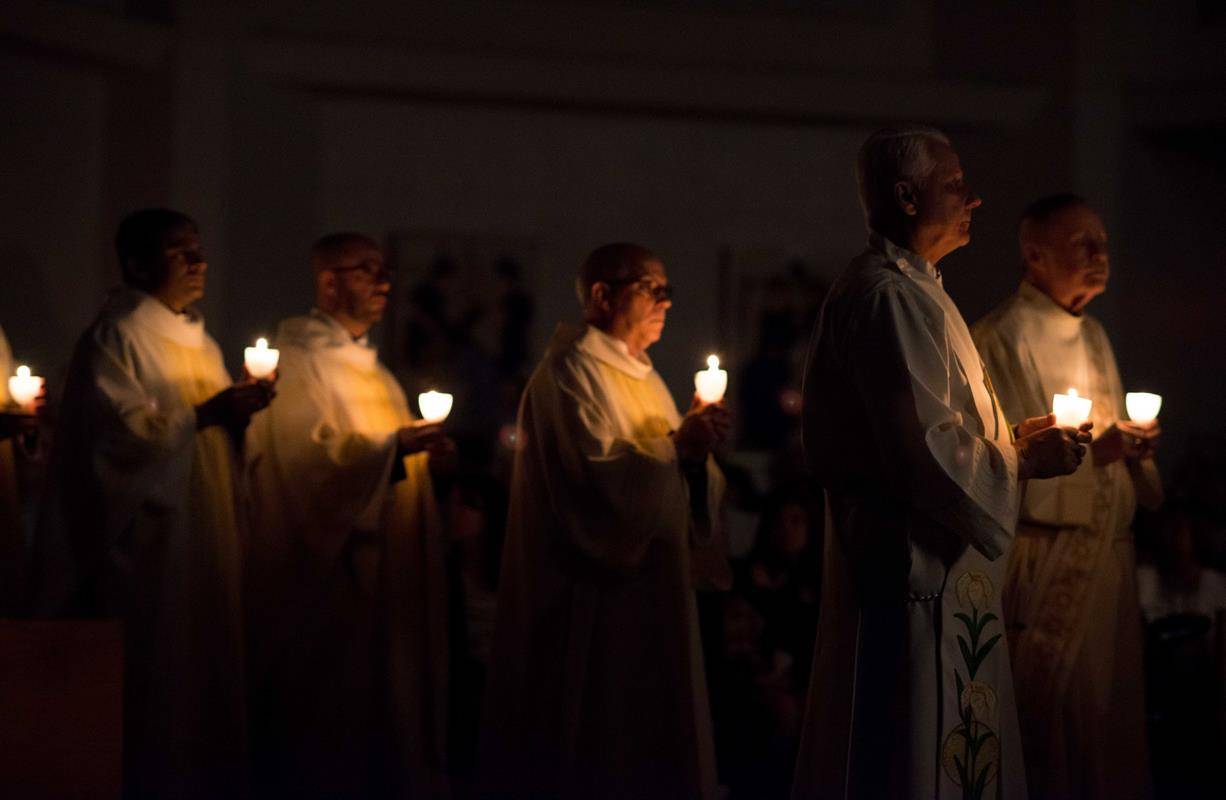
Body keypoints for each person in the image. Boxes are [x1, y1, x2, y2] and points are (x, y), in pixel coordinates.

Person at [791, 127, 1091, 799]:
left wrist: (1011, 436)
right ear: (905, 195)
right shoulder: (887, 297)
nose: (973, 199)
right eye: (954, 186)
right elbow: (920, 449)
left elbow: (936, 425)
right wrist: (1018, 458)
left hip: (939, 572)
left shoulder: (920, 291)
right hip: (914, 575)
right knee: (915, 753)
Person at [34, 208, 273, 798]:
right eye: (179, 251)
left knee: (204, 687)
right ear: (138, 263)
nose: (198, 262)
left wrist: (243, 419)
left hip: (204, 533)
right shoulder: (118, 337)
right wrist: (207, 414)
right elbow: (116, 443)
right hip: (152, 549)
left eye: (199, 249)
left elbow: (212, 435)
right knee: (158, 691)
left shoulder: (199, 339)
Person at [480, 242, 730, 799]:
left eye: (667, 288)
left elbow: (670, 472)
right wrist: (675, 447)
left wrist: (693, 452)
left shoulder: (644, 376)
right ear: (601, 295)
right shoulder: (570, 373)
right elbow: (594, 489)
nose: (667, 300)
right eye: (651, 286)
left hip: (653, 596)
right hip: (593, 604)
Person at [244, 232, 454, 799]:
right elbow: (306, 465)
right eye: (366, 270)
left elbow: (385, 456)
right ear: (329, 281)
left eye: (384, 270)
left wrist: (423, 456)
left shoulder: (374, 372)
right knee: (326, 724)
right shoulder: (299, 362)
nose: (384, 282)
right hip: (326, 581)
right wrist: (394, 449)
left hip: (384, 577)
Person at [971, 193, 1164, 799]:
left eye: (1102, 243)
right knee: (1058, 725)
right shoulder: (997, 338)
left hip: (1108, 560)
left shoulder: (1096, 333)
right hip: (1044, 558)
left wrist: (1131, 449)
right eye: (1083, 243)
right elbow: (998, 456)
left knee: (1111, 724)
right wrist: (1095, 455)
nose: (1099, 255)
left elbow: (1107, 440)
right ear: (1035, 254)